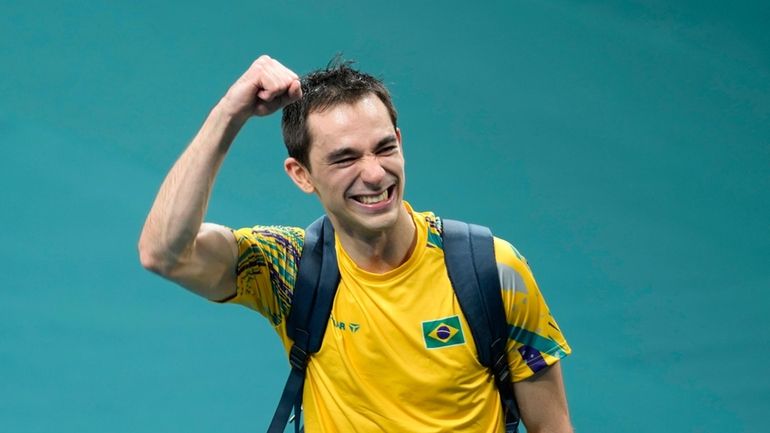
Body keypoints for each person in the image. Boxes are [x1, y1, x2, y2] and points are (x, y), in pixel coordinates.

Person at [138, 54, 573, 433]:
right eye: (345, 158)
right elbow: (163, 253)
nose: (374, 173)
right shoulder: (287, 267)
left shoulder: (491, 270)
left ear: (400, 143)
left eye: (384, 148)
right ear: (301, 174)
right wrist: (230, 111)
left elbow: (551, 426)